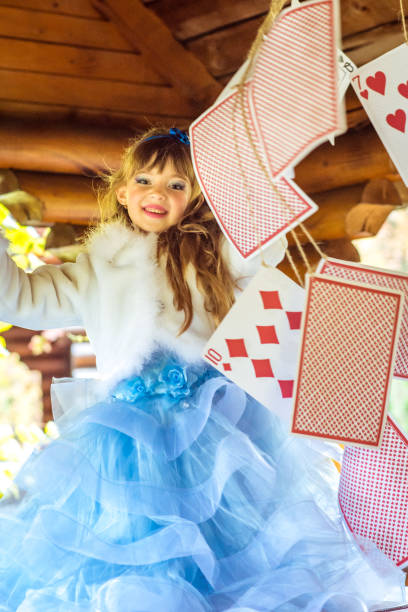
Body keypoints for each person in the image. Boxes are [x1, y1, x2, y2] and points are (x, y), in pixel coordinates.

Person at [0, 127, 405, 611]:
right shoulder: (94, 269)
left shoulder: (215, 255)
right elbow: (18, 298)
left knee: (232, 550)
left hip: (215, 428)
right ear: (124, 192)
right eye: (146, 181)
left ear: (195, 199)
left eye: (177, 185)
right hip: (128, 441)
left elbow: (263, 247)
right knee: (141, 554)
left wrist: (253, 184)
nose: (159, 194)